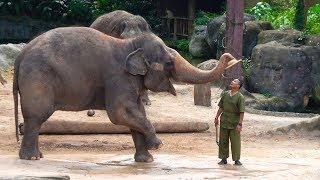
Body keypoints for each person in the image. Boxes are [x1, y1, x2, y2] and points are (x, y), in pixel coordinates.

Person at [214, 78, 245, 165]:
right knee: (223, 141)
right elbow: (221, 107)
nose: (232, 82)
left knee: (235, 142)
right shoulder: (225, 94)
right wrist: (216, 117)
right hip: (224, 121)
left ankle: (236, 159)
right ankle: (223, 158)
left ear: (238, 86)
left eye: (234, 82)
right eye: (232, 81)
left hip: (235, 123)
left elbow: (241, 112)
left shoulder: (240, 97)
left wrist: (240, 124)